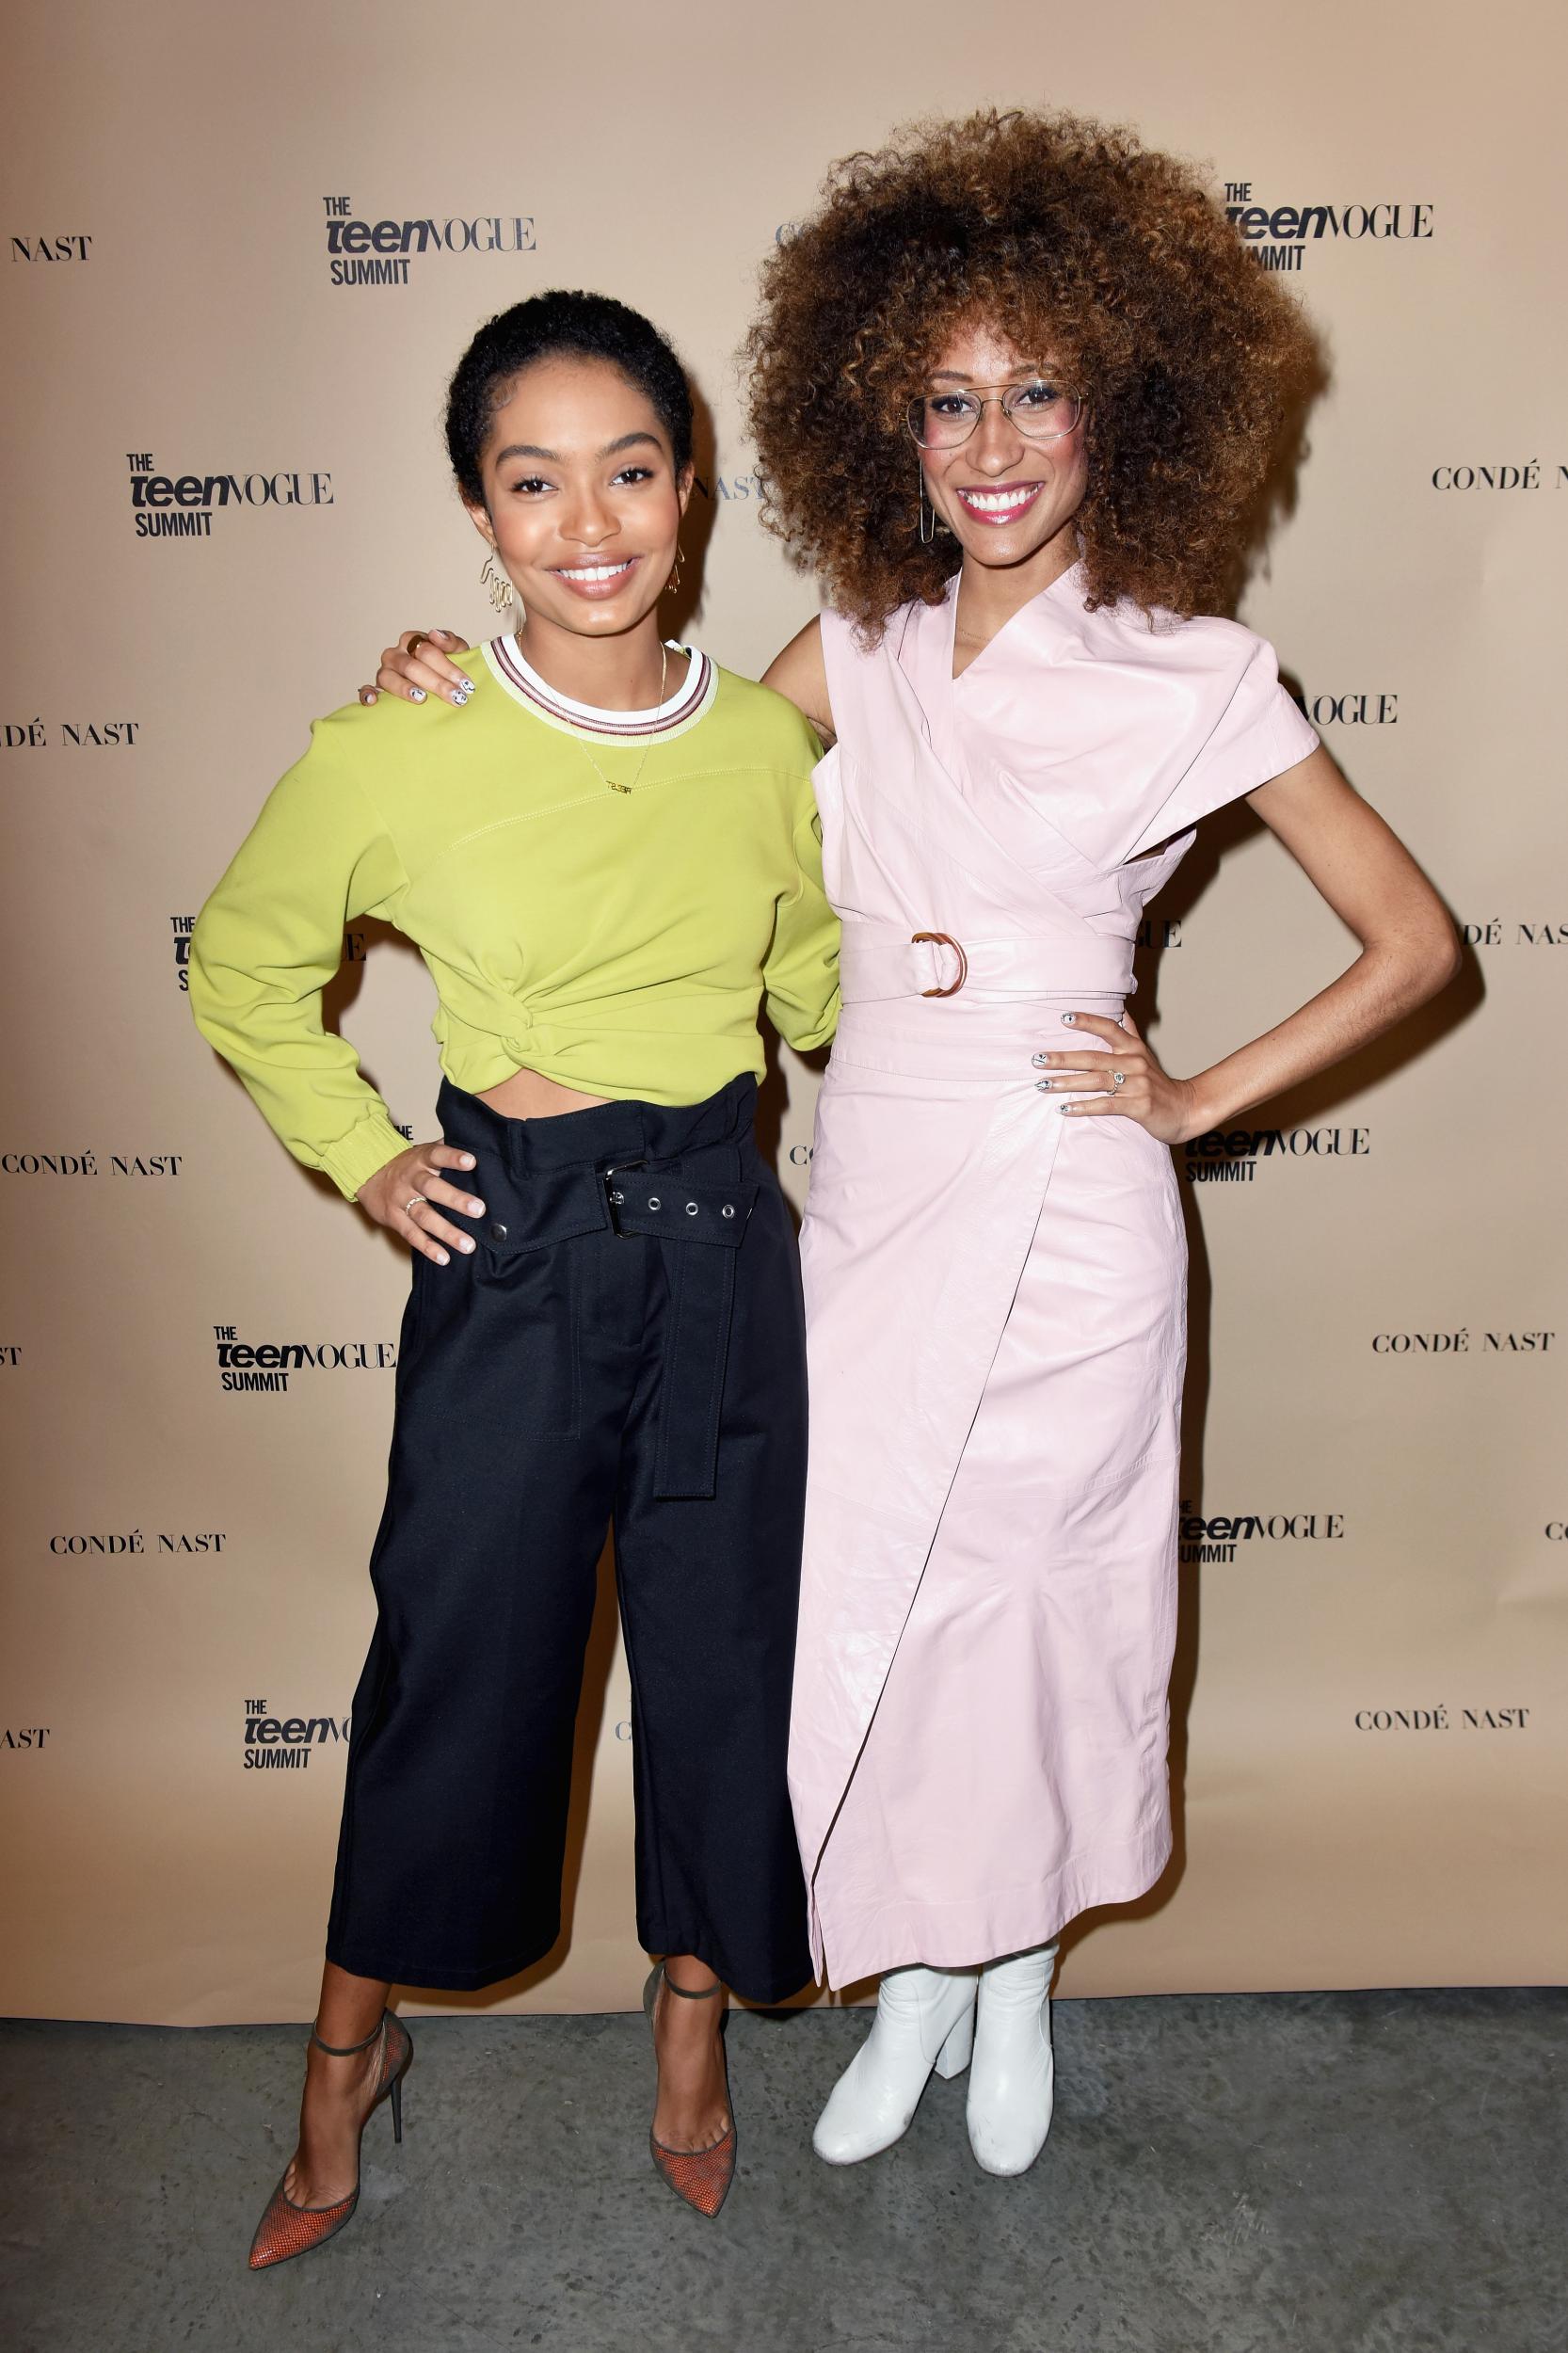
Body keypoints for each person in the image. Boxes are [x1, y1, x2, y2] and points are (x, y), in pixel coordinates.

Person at [363, 109, 1459, 2181]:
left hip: (1066, 1212)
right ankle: (913, 1977)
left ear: (1116, 402)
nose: (989, 442)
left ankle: (1014, 1968)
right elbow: (650, 768)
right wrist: (450, 692)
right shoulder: (849, 645)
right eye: (945, 396)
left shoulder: (1198, 674)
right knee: (868, 1597)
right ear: (880, 412)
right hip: (862, 1192)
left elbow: (1409, 941)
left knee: (1044, 1602)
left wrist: (1194, 1093)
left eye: (1035, 389)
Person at [189, 291, 839, 2257]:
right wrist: (375, 1153)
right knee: (456, 1659)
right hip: (521, 1235)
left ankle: (692, 2019)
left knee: (729, 1659)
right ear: (478, 510)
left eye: (626, 468)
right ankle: (343, 2054)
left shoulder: (753, 739)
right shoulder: (404, 738)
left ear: (689, 480)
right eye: (529, 478)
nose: (586, 521)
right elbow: (239, 958)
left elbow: (807, 972)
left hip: (721, 1235)